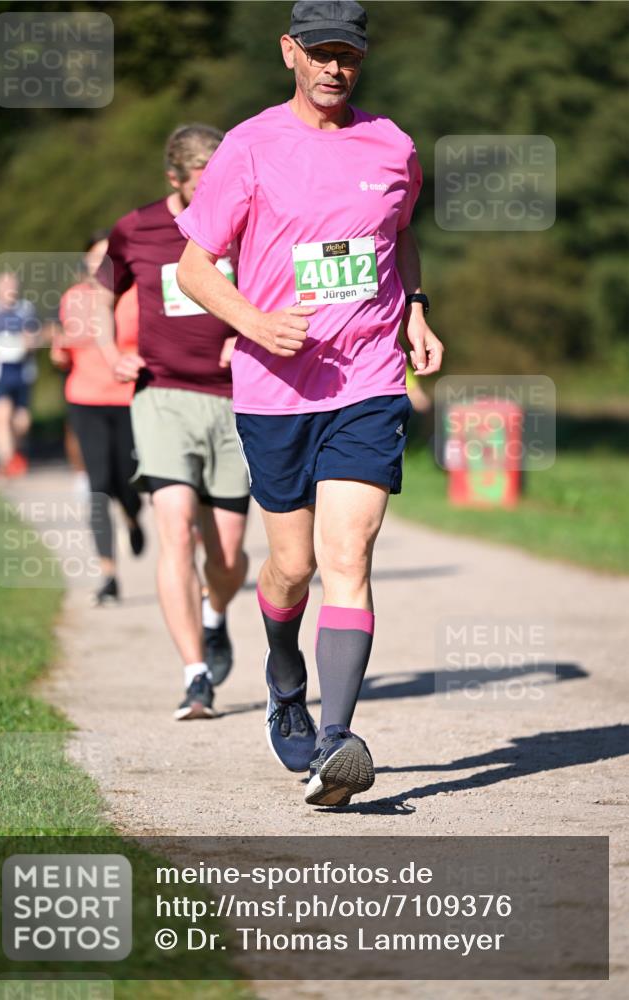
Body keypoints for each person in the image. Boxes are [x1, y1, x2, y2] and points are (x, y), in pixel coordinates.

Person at [175, 1, 444, 805]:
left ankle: (336, 743)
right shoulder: (250, 147)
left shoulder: (391, 145)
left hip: (366, 381)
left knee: (347, 559)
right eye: (321, 52)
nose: (335, 68)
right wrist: (254, 321)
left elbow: (397, 234)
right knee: (289, 568)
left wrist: (417, 307)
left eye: (349, 56)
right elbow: (195, 268)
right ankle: (283, 675)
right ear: (289, 50)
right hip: (274, 391)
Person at [94, 125, 250, 719]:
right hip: (162, 395)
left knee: (229, 556)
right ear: (174, 180)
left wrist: (249, 333)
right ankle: (195, 676)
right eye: (202, 186)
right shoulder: (136, 229)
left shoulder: (246, 220)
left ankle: (215, 617)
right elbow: (100, 295)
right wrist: (112, 355)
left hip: (238, 400)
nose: (216, 197)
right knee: (176, 529)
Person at [51, 231, 145, 606]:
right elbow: (66, 353)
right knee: (98, 485)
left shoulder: (136, 297)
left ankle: (134, 517)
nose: (100, 264)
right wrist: (58, 353)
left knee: (126, 480)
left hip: (126, 398)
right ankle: (108, 574)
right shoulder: (72, 299)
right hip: (84, 399)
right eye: (94, 257)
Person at [0, 271, 39, 476]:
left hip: (22, 370)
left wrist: (29, 342)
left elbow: (34, 336)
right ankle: (6, 460)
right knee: (1, 416)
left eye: (12, 285)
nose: (9, 290)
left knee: (21, 421)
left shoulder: (26, 310)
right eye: (5, 286)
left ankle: (16, 452)